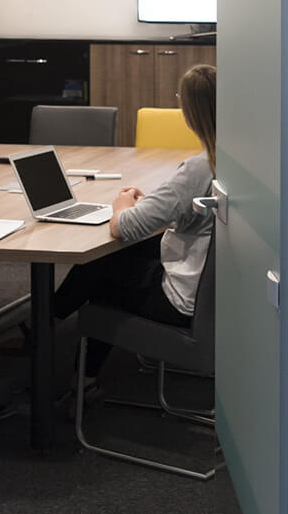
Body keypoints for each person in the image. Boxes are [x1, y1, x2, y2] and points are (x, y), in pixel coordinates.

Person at [53, 63, 217, 384]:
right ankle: (49, 325)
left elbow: (122, 227)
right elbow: (190, 214)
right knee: (123, 255)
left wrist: (122, 205)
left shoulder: (199, 168)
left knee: (102, 265)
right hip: (216, 295)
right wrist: (154, 208)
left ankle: (60, 353)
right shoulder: (237, 160)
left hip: (182, 301)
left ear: (189, 111)